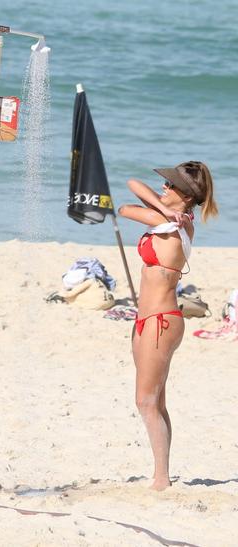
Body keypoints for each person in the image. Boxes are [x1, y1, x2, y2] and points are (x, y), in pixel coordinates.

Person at [118, 161, 217, 490]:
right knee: (155, 401)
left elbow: (125, 207)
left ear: (187, 197)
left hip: (161, 321)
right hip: (147, 319)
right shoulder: (169, 216)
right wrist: (162, 204)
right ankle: (162, 474)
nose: (163, 187)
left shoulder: (172, 224)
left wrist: (161, 210)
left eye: (171, 186)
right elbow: (134, 182)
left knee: (146, 401)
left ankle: (162, 478)